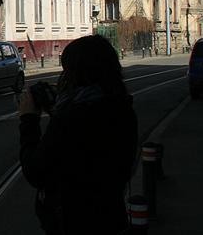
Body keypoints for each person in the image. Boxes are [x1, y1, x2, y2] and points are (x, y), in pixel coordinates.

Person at [18, 35, 137, 234]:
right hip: (112, 216)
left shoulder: (72, 118)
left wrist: (28, 119)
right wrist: (58, 111)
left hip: (72, 220)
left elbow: (36, 171)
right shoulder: (122, 107)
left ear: (78, 73)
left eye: (67, 70)